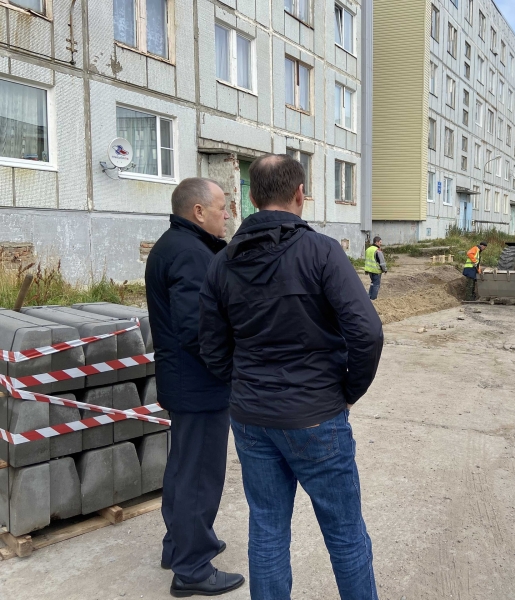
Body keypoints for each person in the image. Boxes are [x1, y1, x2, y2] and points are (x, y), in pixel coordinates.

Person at [198, 154, 384, 600]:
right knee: (345, 534)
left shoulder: (222, 263)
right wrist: (348, 391)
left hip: (252, 419)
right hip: (315, 416)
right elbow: (367, 332)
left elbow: (211, 346)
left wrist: (243, 386)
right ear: (300, 194)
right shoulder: (321, 251)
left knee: (267, 530)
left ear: (251, 198)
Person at [145, 178, 245, 598]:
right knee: (199, 477)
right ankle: (192, 568)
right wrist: (228, 368)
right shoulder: (189, 253)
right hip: (199, 383)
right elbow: (198, 328)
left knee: (184, 469)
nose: (228, 215)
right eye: (222, 207)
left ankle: (179, 546)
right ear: (198, 212)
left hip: (187, 381)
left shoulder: (178, 245)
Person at [364, 236, 388, 300]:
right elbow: (382, 262)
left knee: (372, 283)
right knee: (376, 285)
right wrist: (385, 270)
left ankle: (369, 297)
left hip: (369, 270)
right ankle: (373, 298)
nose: (380, 243)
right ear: (376, 242)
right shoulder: (377, 250)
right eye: (380, 242)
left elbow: (366, 260)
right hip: (376, 271)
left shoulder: (368, 249)